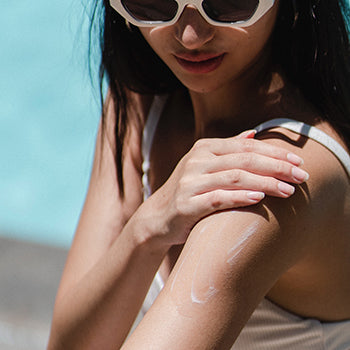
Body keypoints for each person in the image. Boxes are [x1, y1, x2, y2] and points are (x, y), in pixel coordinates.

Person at [48, 0, 350, 348]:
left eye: (228, 2)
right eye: (154, 3)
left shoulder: (276, 175)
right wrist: (147, 229)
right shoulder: (140, 108)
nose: (190, 36)